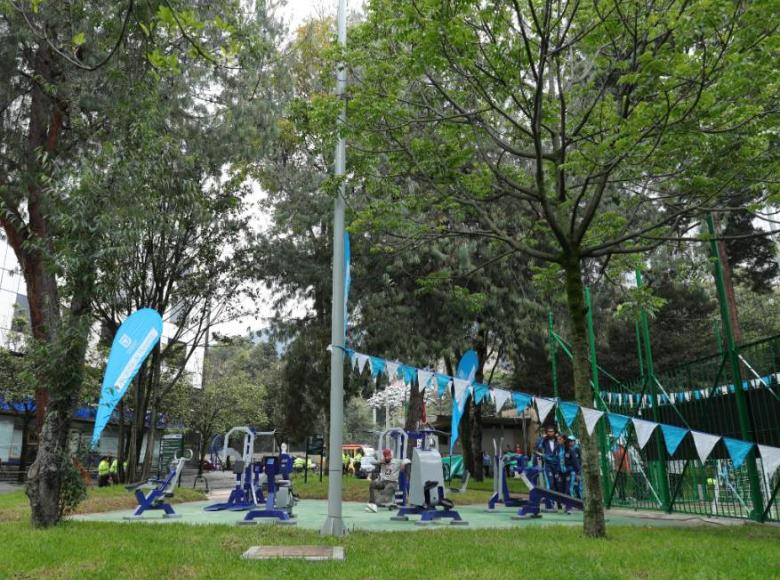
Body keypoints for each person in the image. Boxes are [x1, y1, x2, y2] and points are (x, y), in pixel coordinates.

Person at [366, 448, 408, 513]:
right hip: (383, 482)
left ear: (391, 455)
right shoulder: (383, 462)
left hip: (392, 482)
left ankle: (376, 504)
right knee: (372, 484)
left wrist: (403, 464)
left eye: (388, 456)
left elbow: (407, 460)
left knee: (385, 492)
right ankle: (372, 503)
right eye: (385, 456)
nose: (387, 458)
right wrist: (380, 462)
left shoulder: (396, 461)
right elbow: (372, 462)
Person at [534, 426, 561, 509]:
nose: (550, 433)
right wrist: (543, 438)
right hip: (548, 464)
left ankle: (559, 502)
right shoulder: (544, 441)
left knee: (558, 484)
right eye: (549, 431)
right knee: (550, 483)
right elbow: (538, 447)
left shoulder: (558, 440)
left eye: (552, 431)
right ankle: (550, 502)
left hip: (557, 464)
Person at [560, 435, 582, 511]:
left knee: (573, 488)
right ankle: (569, 504)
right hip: (565, 472)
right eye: (569, 441)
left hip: (573, 472)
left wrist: (578, 473)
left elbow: (576, 462)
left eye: (572, 441)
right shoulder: (563, 450)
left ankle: (575, 504)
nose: (571, 442)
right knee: (567, 488)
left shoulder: (575, 450)